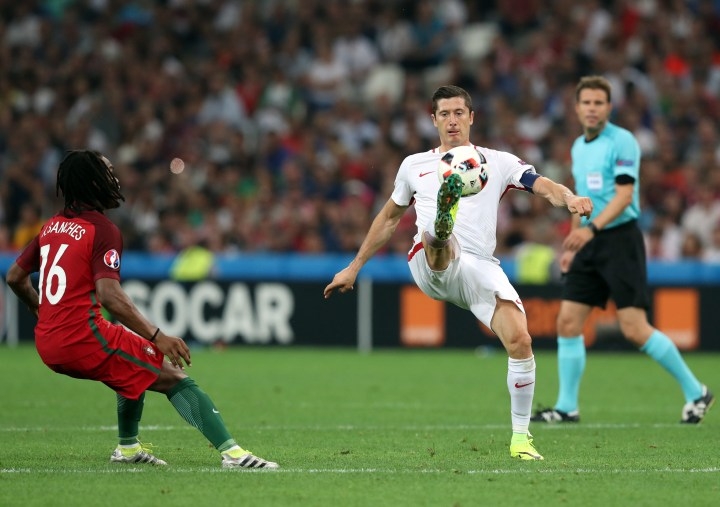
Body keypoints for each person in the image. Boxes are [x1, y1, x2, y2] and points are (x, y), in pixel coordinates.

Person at [324, 85, 593, 461]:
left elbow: (542, 185)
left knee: (520, 340)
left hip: (480, 265)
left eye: (458, 113)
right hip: (429, 262)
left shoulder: (497, 162)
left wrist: (569, 198)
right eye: (444, 114)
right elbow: (388, 218)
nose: (452, 120)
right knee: (439, 244)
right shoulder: (414, 165)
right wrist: (354, 267)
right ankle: (441, 227)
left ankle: (520, 440)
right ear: (433, 120)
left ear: (471, 117)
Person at [5, 150, 278, 469]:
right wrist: (158, 335)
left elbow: (14, 277)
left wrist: (39, 308)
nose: (114, 178)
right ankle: (233, 454)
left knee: (132, 363)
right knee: (174, 377)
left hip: (47, 341)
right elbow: (110, 295)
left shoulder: (51, 227)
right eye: (108, 172)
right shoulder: (102, 229)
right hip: (82, 338)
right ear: (93, 182)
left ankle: (128, 448)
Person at [531, 76, 714, 425]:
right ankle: (567, 407)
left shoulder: (623, 141)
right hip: (588, 241)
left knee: (634, 328)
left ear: (609, 107)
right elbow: (580, 199)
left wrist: (591, 230)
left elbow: (625, 196)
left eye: (598, 103)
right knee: (567, 322)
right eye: (586, 102)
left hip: (619, 240)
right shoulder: (578, 147)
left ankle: (696, 391)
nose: (592, 108)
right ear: (576, 108)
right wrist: (574, 241)